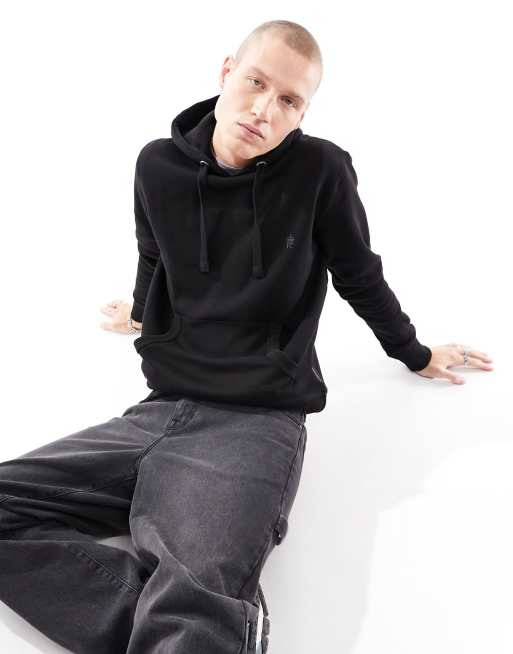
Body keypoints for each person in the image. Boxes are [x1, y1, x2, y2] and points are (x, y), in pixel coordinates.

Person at [0, 19, 494, 654]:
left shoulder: (320, 171)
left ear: (303, 112)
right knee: (179, 612)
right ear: (227, 72)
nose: (265, 109)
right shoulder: (157, 165)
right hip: (157, 411)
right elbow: (155, 252)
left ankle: (189, 622)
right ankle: (172, 624)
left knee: (195, 604)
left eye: (289, 100)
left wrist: (415, 352)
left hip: (255, 421)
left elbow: (359, 274)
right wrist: (143, 313)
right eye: (257, 83)